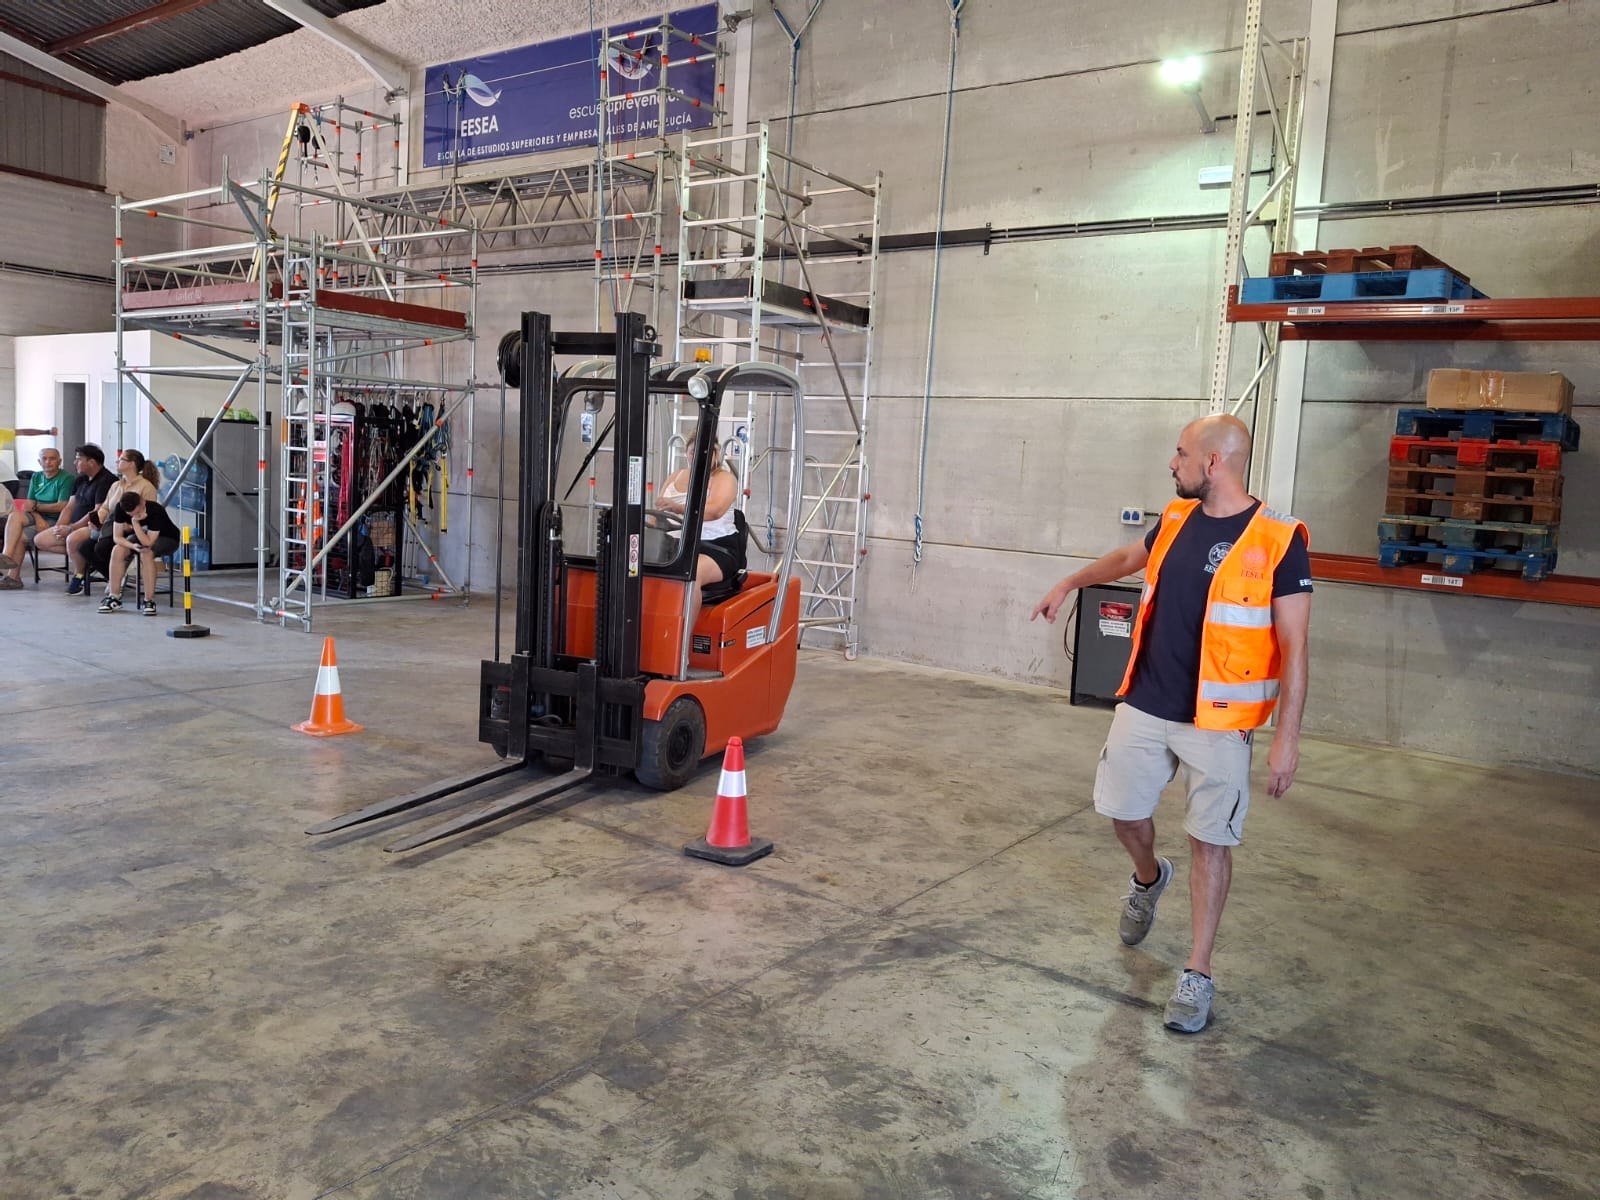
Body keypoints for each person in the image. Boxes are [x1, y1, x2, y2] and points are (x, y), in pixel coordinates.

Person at [1031, 414, 1312, 1034]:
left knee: (1210, 841)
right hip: (1146, 700)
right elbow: (1130, 557)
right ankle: (1149, 878)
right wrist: (1071, 581)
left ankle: (1198, 971)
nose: (1172, 463)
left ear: (1214, 462)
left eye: (1181, 453)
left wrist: (1287, 739)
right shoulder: (1177, 518)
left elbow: (1296, 645)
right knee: (1122, 814)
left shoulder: (1279, 539)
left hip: (1220, 722)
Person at [655, 432, 744, 633]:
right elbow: (657, 513)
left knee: (690, 571)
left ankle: (681, 642)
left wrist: (678, 508)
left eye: (705, 451)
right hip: (675, 544)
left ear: (715, 453)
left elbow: (714, 511)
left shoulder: (724, 478)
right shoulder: (675, 476)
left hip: (715, 547)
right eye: (693, 451)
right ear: (686, 453)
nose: (698, 456)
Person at [26, 444, 115, 594]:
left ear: (91, 462)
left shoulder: (106, 480)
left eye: (79, 459)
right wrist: (60, 527)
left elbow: (97, 511)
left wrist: (72, 528)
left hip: (94, 525)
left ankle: (79, 575)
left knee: (72, 540)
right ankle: (89, 560)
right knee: (40, 540)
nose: (75, 463)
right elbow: (69, 506)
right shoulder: (80, 480)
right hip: (74, 524)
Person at [76, 449, 160, 585]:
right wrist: (97, 520)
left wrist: (131, 526)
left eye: (121, 459)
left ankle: (116, 577)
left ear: (131, 464)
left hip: (133, 529)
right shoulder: (116, 485)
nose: (117, 462)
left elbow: (149, 514)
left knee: (101, 547)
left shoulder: (146, 487)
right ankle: (115, 577)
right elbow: (105, 507)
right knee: (84, 547)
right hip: (112, 527)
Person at [0, 442, 72, 590]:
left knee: (21, 537)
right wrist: (38, 516)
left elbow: (61, 506)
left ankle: (13, 577)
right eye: (44, 458)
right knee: (15, 516)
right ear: (39, 462)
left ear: (59, 461)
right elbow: (29, 504)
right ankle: (6, 556)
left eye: (52, 458)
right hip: (37, 516)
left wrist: (36, 507)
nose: (48, 462)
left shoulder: (67, 478)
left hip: (57, 519)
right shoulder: (36, 476)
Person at [100, 491, 180, 616]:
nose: (137, 515)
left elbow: (148, 542)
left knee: (146, 553)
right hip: (141, 536)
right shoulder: (120, 508)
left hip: (168, 538)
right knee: (118, 550)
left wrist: (135, 522)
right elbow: (117, 537)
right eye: (132, 514)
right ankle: (114, 596)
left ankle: (149, 600)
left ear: (142, 502)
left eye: (138, 512)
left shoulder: (155, 510)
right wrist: (132, 546)